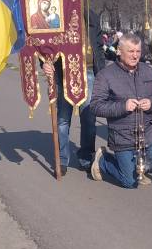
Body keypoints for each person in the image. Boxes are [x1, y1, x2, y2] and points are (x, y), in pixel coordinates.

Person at [89, 33, 152, 189]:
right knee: (129, 182)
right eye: (130, 51)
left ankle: (140, 168)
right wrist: (123, 106)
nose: (135, 55)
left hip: (148, 131)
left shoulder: (148, 71)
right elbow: (95, 106)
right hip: (122, 135)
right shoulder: (105, 75)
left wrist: (151, 102)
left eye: (138, 51)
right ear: (119, 51)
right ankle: (103, 160)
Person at [40, 11, 106, 175]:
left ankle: (86, 157)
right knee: (63, 118)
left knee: (89, 118)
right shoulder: (60, 11)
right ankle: (62, 159)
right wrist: (44, 63)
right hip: (64, 72)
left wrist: (103, 74)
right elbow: (44, 42)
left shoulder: (90, 14)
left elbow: (98, 46)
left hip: (88, 71)